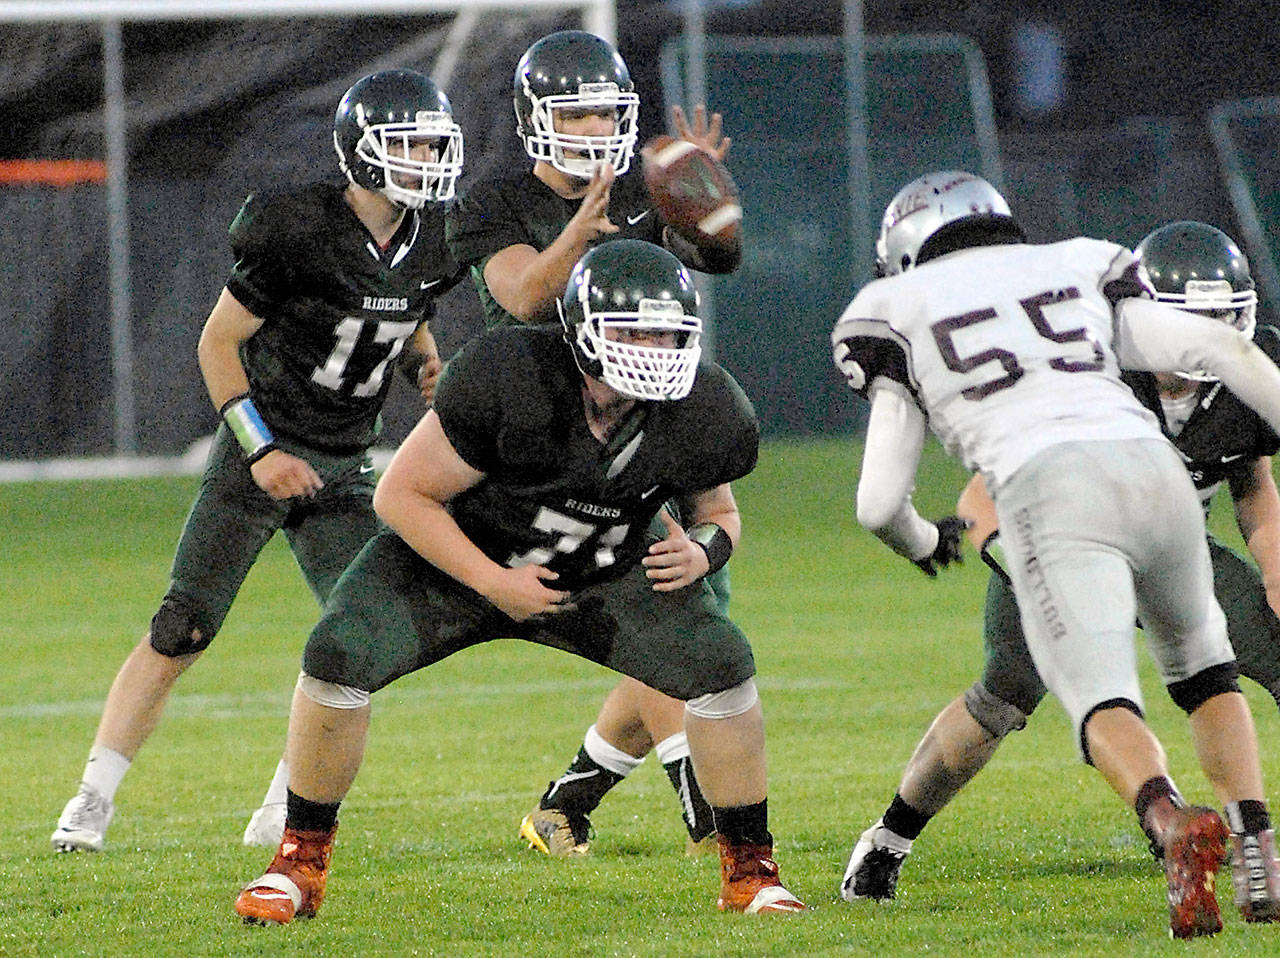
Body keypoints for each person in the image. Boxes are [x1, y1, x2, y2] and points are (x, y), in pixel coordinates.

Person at [232, 240, 806, 925]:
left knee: (723, 666)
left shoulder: (707, 406)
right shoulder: (510, 374)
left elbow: (719, 514)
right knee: (337, 652)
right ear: (581, 331)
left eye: (667, 333)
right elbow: (402, 496)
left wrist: (706, 555)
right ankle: (297, 864)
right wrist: (493, 581)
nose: (652, 348)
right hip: (460, 560)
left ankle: (751, 872)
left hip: (602, 568)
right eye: (633, 331)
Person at [831, 173, 1280, 939]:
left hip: (1056, 501)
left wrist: (923, 541)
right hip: (1145, 486)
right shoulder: (1078, 267)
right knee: (1182, 677)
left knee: (1107, 699)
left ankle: (1170, 821)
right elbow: (1214, 344)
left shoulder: (892, 313)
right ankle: (1258, 849)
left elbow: (878, 505)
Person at [50, 69, 464, 854]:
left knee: (360, 641)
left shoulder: (435, 238)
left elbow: (407, 322)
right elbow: (218, 342)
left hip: (343, 465)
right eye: (409, 142)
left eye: (434, 142)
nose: (426, 157)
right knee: (183, 627)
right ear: (361, 151)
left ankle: (285, 804)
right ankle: (92, 797)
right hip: (259, 452)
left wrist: (426, 367)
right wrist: (262, 449)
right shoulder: (295, 226)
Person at [444, 29, 738, 857]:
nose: (594, 127)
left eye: (607, 111)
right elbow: (527, 300)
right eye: (575, 114)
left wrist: (704, 197)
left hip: (655, 414)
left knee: (688, 612)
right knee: (676, 620)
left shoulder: (642, 188)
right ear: (538, 119)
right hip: (546, 437)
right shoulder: (494, 201)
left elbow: (723, 259)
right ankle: (707, 815)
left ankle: (565, 805)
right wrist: (580, 228)